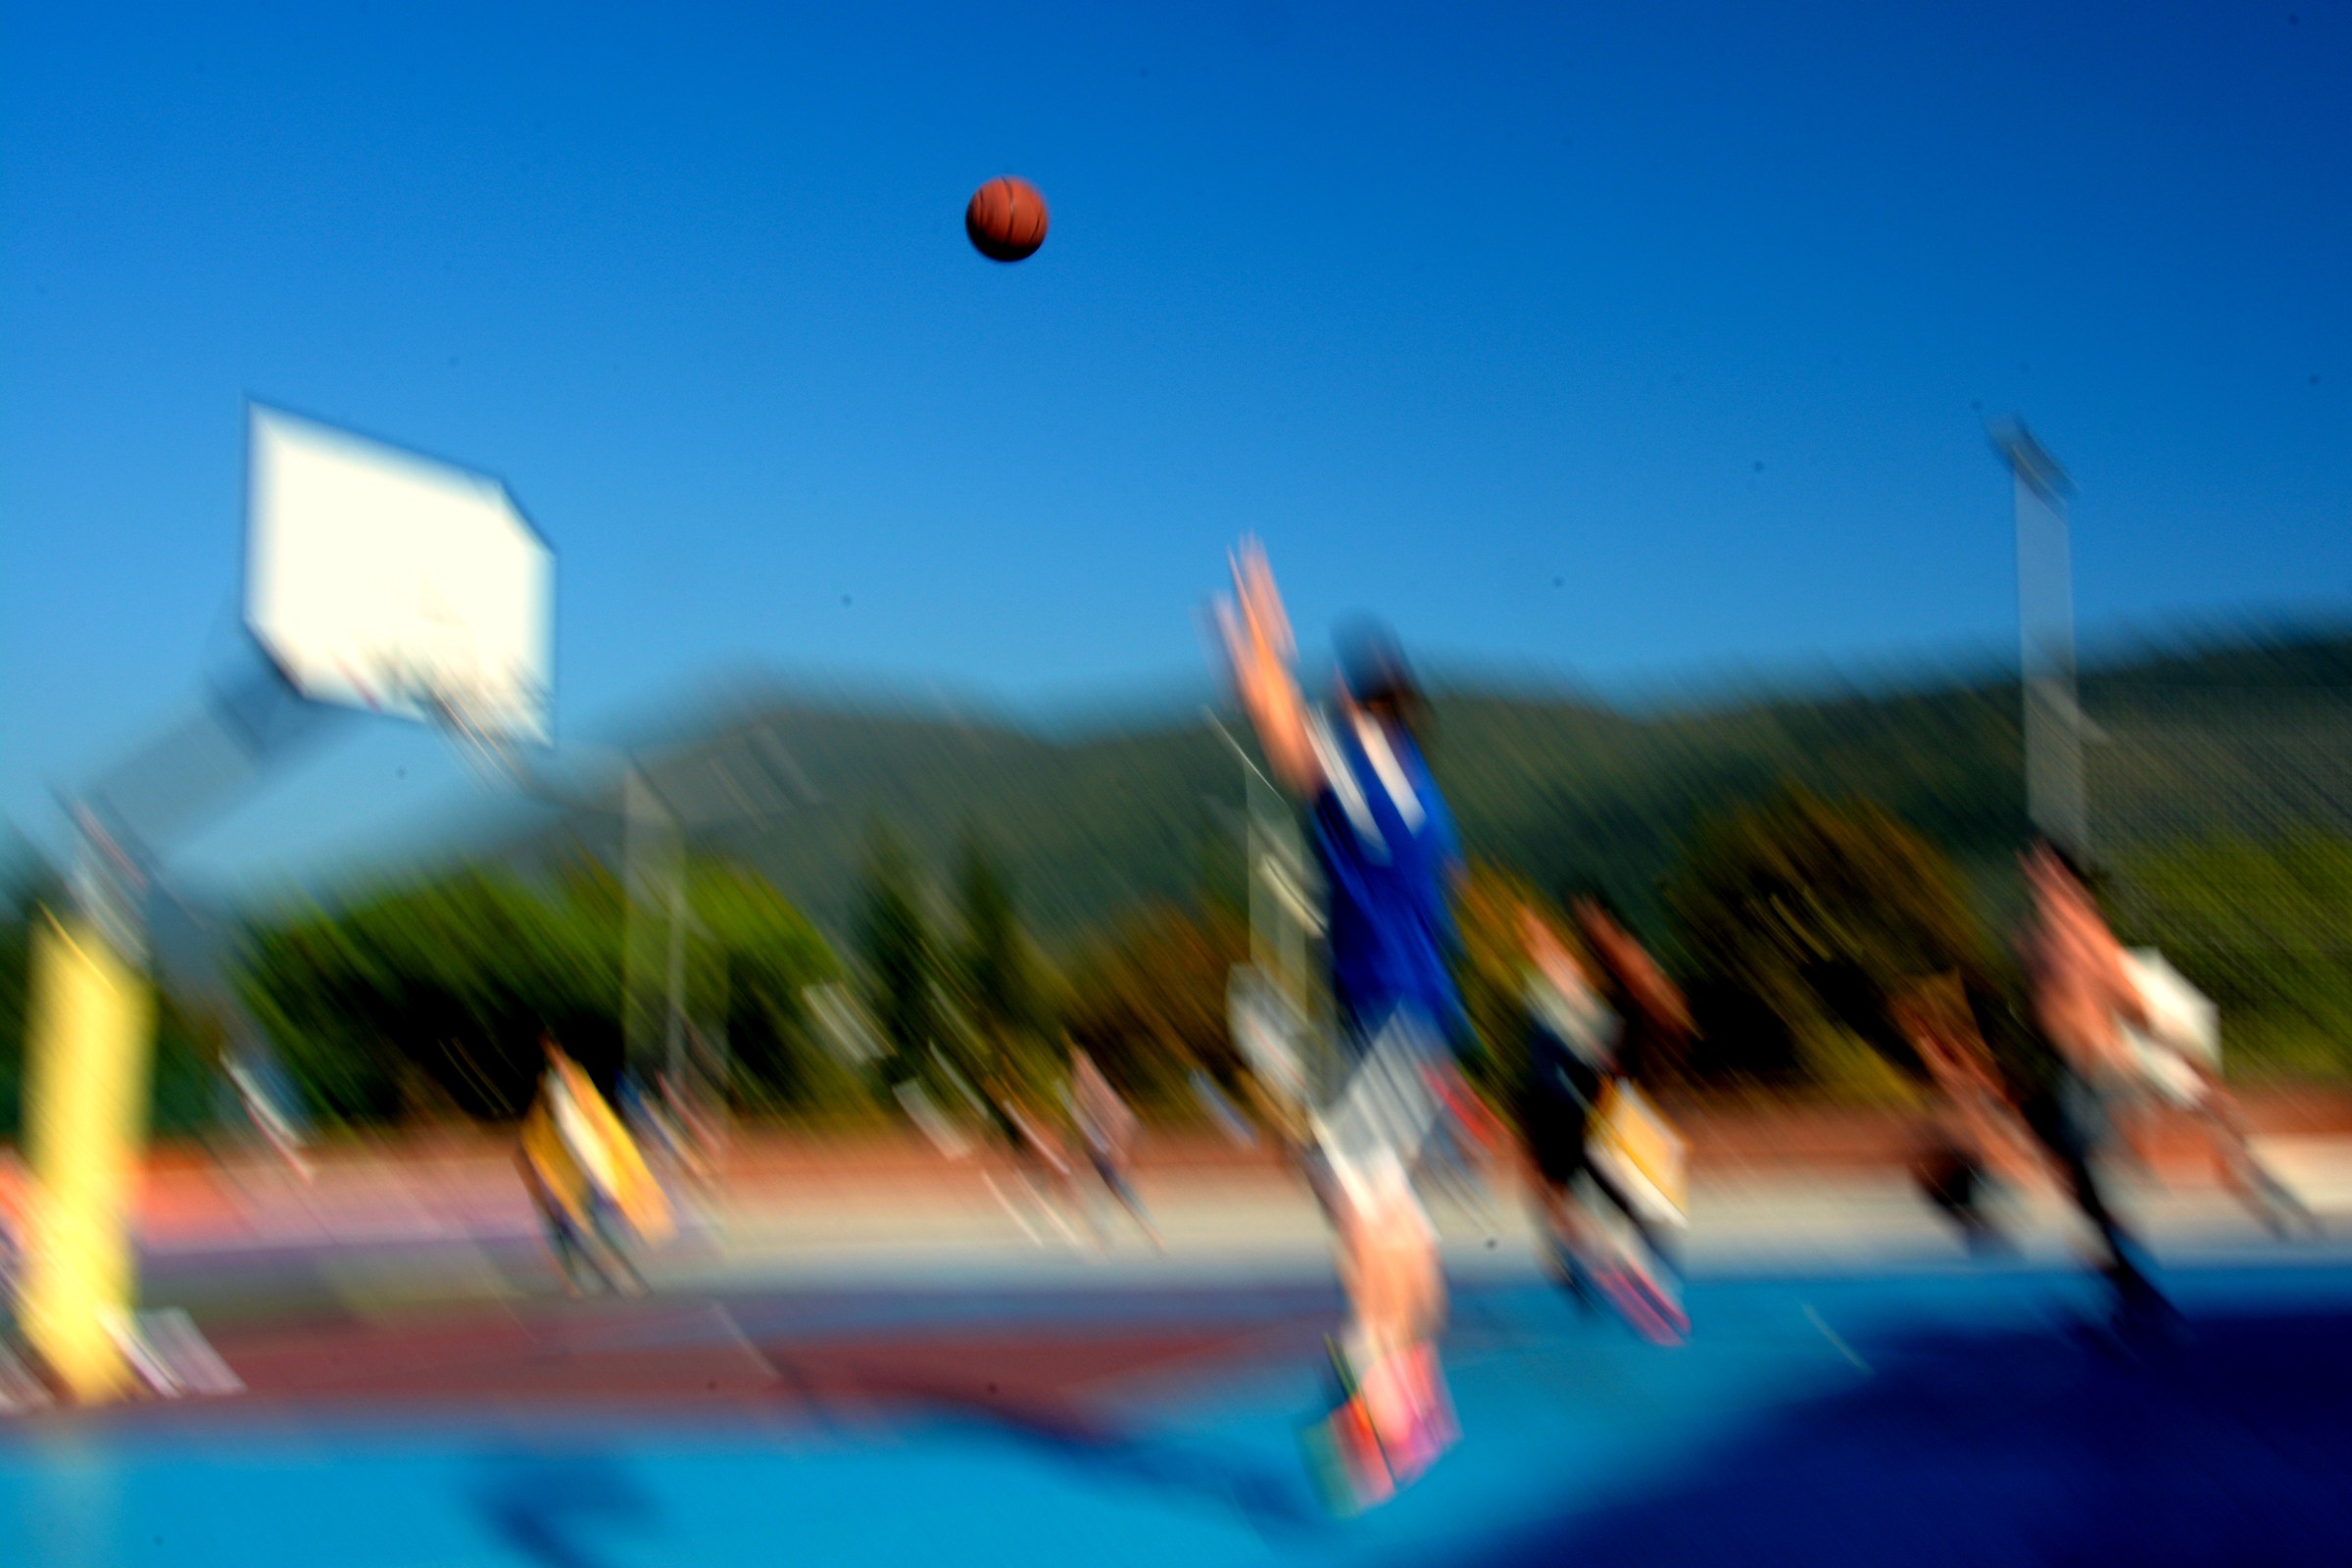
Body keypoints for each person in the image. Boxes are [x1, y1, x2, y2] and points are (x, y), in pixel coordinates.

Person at [1216, 538, 1463, 1506]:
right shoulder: (1423, 796)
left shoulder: (1366, 762)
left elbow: (1279, 728)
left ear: (1366, 707)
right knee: (1369, 1189)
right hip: (1414, 1009)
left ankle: (1378, 1370)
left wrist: (1259, 641)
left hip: (1392, 1007)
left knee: (1351, 1182)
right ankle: (1416, 1378)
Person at [2014, 841, 2175, 1330]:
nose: (2035, 875)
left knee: (2076, 1166)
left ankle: (2123, 1271)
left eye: (2044, 867)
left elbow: (2125, 994)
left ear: (2063, 874)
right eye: (2033, 866)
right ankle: (2117, 1258)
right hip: (2067, 1068)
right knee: (2065, 1160)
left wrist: (2155, 1047)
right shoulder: (2042, 933)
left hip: (2093, 1070)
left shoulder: (2082, 928)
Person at [1519, 901, 1690, 1341]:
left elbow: (1606, 1031)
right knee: (1574, 1195)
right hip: (1564, 1106)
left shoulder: (1589, 1002)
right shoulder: (1557, 1002)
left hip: (1583, 1106)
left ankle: (1623, 1262)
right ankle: (1606, 1260)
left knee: (1612, 1194)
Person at [1067, 1047, 1161, 1248]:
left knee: (1116, 1194)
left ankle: (1105, 1234)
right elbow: (1126, 1123)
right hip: (1105, 1155)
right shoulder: (1095, 1095)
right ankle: (1144, 1232)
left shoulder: (1090, 1093)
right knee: (1117, 1195)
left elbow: (1121, 1124)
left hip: (1106, 1156)